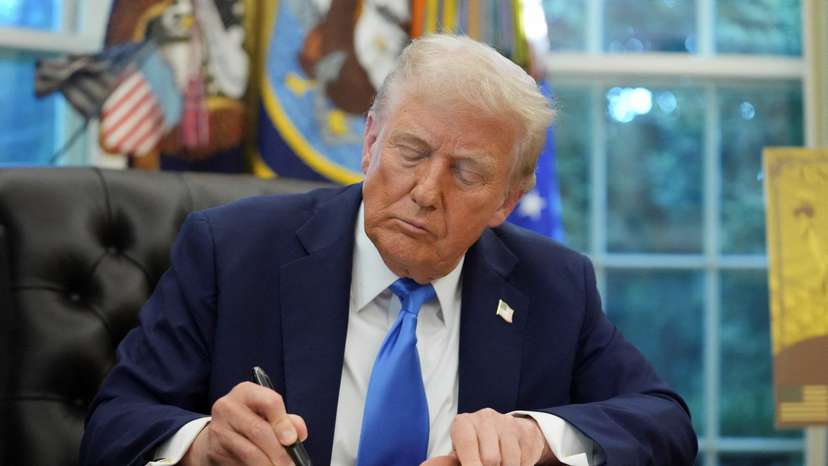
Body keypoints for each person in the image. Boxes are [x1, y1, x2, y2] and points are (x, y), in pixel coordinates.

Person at [80, 35, 698, 466]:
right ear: (370, 141)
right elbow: (113, 426)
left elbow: (665, 423)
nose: (426, 192)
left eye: (466, 173)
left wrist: (537, 438)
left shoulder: (553, 284)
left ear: (509, 199)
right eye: (411, 151)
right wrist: (202, 446)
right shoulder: (232, 249)